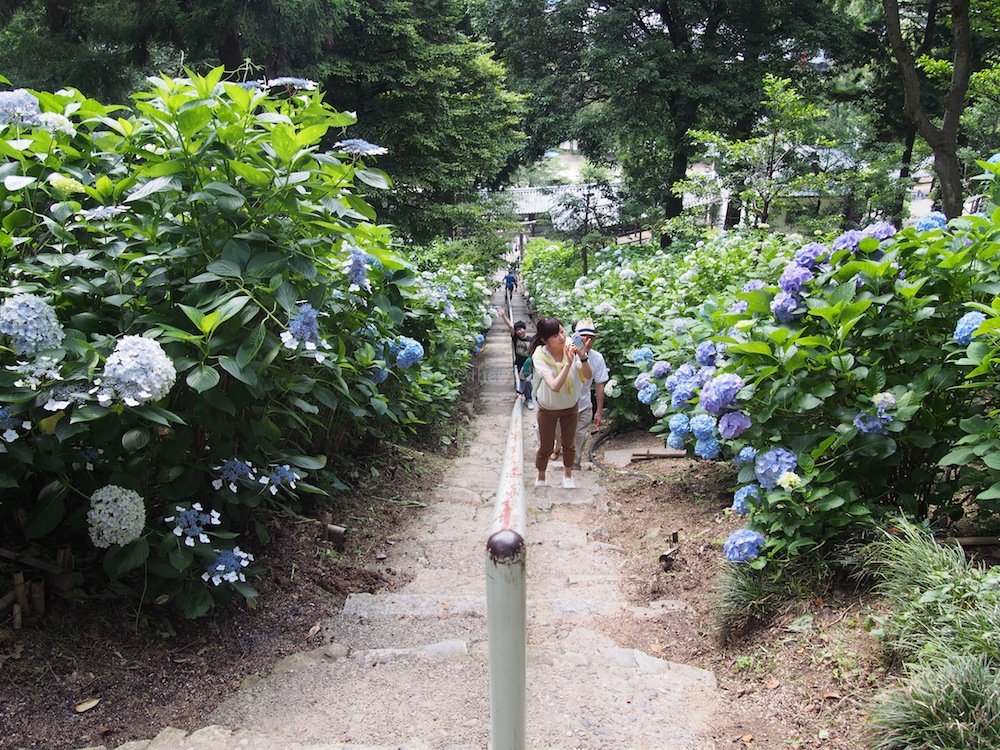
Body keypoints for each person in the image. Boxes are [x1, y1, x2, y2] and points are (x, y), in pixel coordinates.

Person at [530, 316, 593, 489]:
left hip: (570, 405)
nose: (562, 337)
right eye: (555, 335)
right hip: (548, 407)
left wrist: (583, 356)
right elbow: (554, 386)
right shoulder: (539, 355)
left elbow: (588, 375)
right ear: (544, 340)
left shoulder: (574, 343)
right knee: (546, 446)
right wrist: (567, 364)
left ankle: (568, 476)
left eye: (562, 331)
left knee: (569, 443)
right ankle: (541, 477)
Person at [552, 318, 608, 468]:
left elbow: (599, 385)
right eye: (584, 338)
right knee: (557, 433)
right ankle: (557, 448)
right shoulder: (564, 353)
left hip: (583, 405)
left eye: (591, 338)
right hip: (561, 404)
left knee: (579, 436)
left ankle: (574, 465)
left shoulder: (597, 358)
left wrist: (599, 411)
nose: (588, 341)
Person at [497, 306, 533, 407]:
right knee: (523, 381)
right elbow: (510, 326)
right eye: (517, 330)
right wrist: (503, 316)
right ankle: (522, 393)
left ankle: (528, 399)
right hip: (519, 364)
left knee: (527, 381)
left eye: (521, 329)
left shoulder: (531, 340)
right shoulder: (516, 338)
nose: (519, 331)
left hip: (528, 365)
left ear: (525, 329)